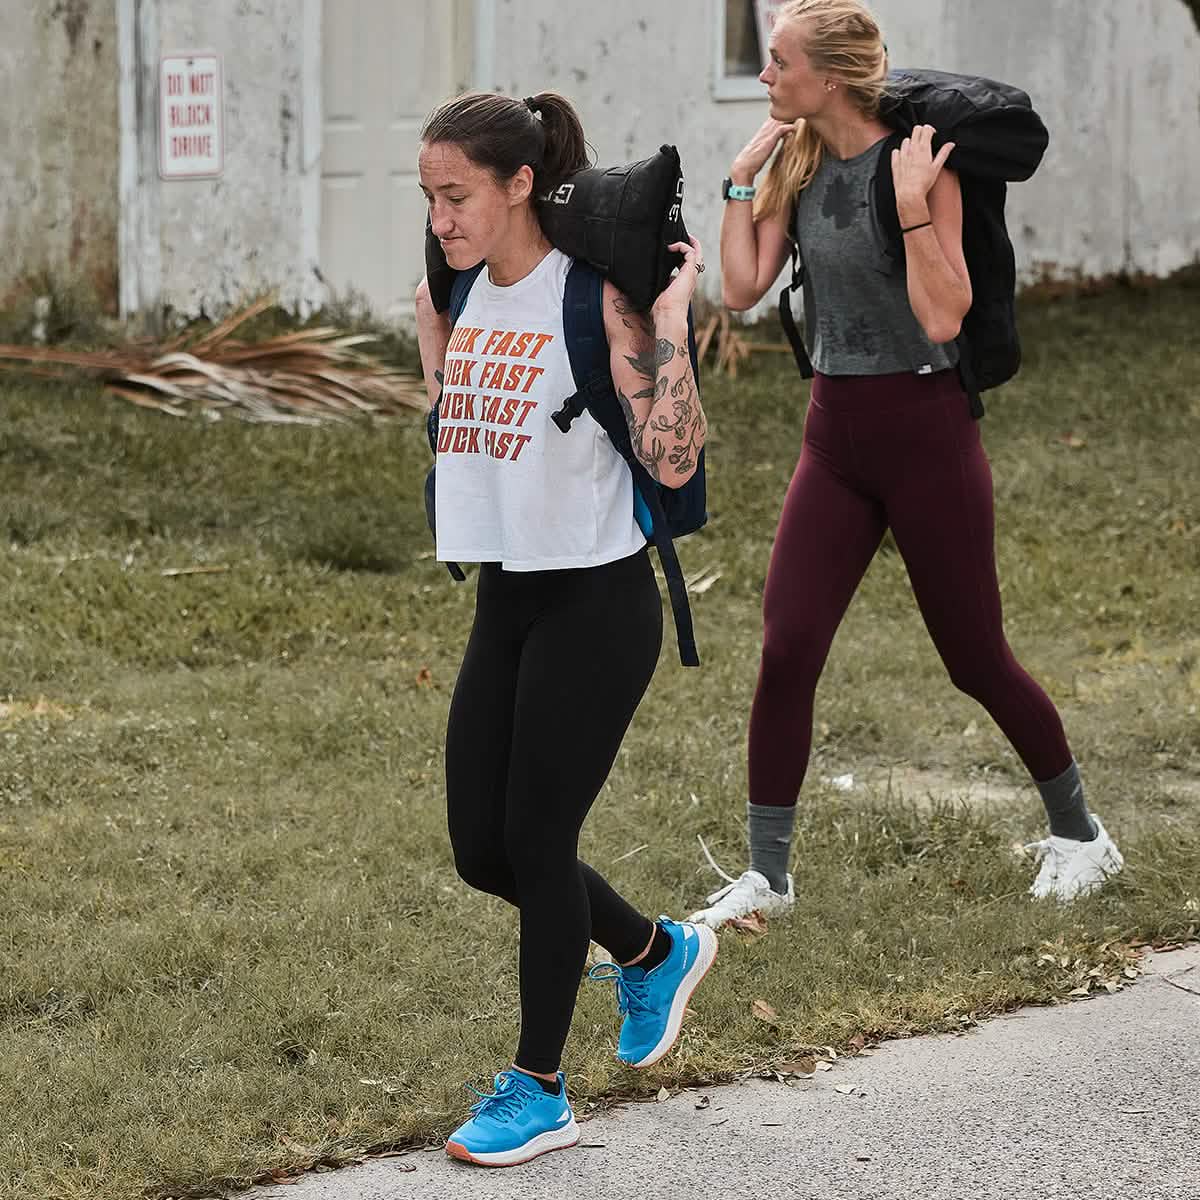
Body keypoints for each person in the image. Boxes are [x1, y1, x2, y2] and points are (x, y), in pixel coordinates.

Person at [689, 0, 1123, 929]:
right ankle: (771, 876)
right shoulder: (798, 160)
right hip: (834, 438)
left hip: (926, 433)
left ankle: (1083, 836)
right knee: (787, 647)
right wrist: (736, 184)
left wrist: (917, 207)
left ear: (830, 77)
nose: (765, 79)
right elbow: (739, 286)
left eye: (778, 63)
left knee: (975, 658)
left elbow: (943, 315)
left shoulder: (919, 161)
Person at [413, 90, 717, 1168]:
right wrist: (434, 349)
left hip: (597, 601)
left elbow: (675, 462)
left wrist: (669, 328)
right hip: (510, 596)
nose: (441, 218)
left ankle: (539, 1087)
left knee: (538, 841)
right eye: (431, 197)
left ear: (518, 186)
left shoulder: (593, 297)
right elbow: (469, 431)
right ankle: (652, 950)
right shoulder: (456, 287)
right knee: (480, 848)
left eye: (457, 197)